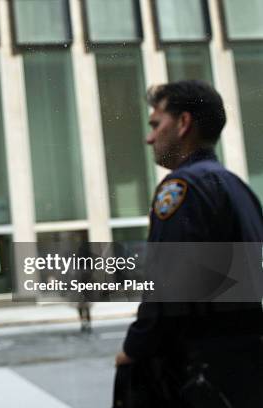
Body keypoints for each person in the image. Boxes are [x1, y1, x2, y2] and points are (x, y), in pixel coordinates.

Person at [113, 80, 263, 407]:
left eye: (156, 124)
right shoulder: (238, 188)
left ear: (183, 124)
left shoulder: (182, 187)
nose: (149, 137)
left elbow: (168, 285)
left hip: (199, 374)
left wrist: (133, 349)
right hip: (245, 371)